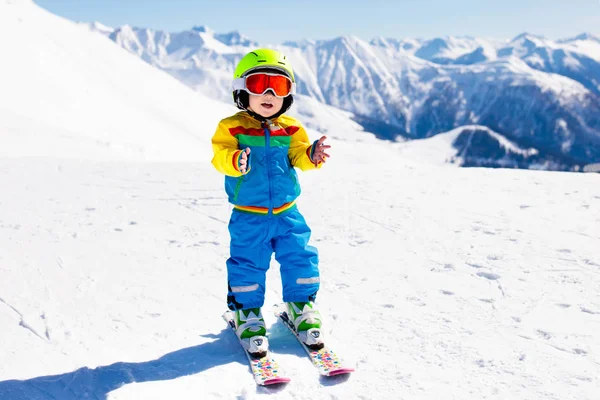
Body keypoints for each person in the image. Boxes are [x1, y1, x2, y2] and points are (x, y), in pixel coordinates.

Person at [211, 49, 330, 358]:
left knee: (300, 258)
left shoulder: (290, 128)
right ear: (241, 90)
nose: (268, 93)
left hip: (288, 214)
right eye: (259, 83)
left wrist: (311, 156)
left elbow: (298, 154)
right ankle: (247, 315)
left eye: (278, 87)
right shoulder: (231, 127)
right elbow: (220, 156)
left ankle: (300, 306)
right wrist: (234, 160)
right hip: (249, 216)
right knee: (248, 264)